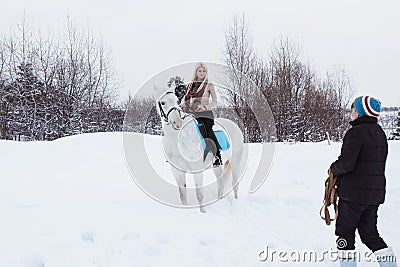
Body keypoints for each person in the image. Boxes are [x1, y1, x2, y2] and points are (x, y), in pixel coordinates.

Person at [329, 96, 397, 267]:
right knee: (370, 234)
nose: (351, 112)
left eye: (353, 109)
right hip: (374, 195)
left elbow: (347, 163)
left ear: (359, 112)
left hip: (353, 195)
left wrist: (333, 169)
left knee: (345, 236)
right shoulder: (379, 133)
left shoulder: (356, 133)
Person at [179, 62, 222, 167]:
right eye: (200, 71)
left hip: (206, 114)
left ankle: (217, 156)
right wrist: (183, 103)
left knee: (208, 131)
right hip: (192, 114)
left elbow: (215, 101)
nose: (202, 73)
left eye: (204, 71)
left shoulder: (209, 85)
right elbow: (186, 99)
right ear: (196, 72)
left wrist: (205, 107)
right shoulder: (190, 85)